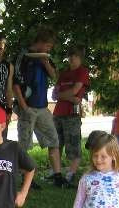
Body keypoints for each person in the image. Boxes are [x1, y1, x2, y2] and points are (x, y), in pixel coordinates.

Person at [13, 29, 68, 188]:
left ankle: (57, 176)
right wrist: (24, 107)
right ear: (40, 42)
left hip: (43, 107)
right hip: (27, 107)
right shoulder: (23, 56)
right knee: (25, 144)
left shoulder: (45, 57)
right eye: (48, 45)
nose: (49, 49)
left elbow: (55, 76)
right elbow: (15, 84)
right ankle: (26, 179)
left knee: (53, 140)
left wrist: (45, 62)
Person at [52, 46, 90, 183]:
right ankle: (56, 172)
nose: (72, 59)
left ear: (80, 58)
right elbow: (54, 94)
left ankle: (71, 173)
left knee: (73, 144)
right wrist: (69, 97)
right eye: (70, 56)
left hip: (72, 114)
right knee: (55, 143)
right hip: (58, 113)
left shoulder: (82, 72)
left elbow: (75, 91)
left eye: (75, 56)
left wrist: (62, 95)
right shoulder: (63, 73)